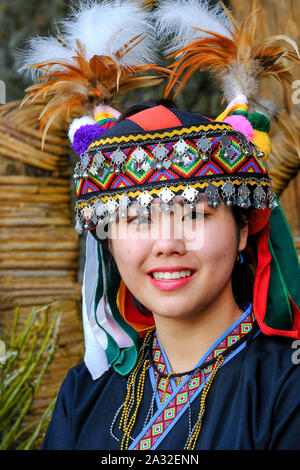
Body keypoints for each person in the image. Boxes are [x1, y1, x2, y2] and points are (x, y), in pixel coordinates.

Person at [17, 0, 300, 450]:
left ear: (245, 227)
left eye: (195, 214)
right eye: (138, 218)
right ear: (108, 241)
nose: (166, 243)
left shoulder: (288, 387)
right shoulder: (83, 393)